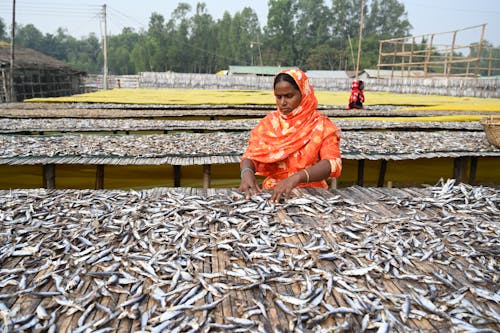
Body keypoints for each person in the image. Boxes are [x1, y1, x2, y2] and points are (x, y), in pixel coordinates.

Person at [238, 68, 342, 202]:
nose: (282, 103)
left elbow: (332, 163)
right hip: (274, 194)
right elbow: (250, 156)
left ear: (303, 94)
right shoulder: (269, 124)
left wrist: (297, 178)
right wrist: (247, 172)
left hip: (313, 196)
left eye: (289, 96)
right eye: (278, 97)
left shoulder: (321, 125)